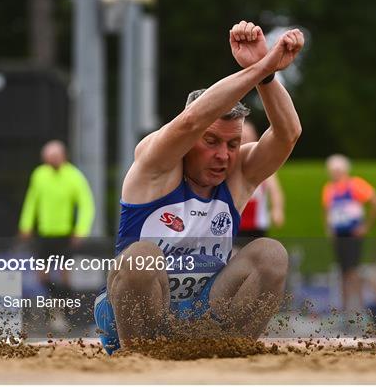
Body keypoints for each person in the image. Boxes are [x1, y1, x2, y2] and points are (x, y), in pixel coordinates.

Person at [94, 20, 304, 354]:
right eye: (211, 141)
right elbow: (191, 121)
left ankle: (229, 354)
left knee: (271, 254)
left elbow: (287, 134)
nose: (223, 155)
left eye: (233, 144)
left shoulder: (238, 173)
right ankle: (138, 359)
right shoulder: (155, 164)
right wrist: (262, 64)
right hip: (133, 312)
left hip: (204, 313)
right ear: (190, 141)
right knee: (141, 257)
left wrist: (266, 76)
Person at [19, 140, 95, 300]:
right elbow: (31, 201)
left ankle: (66, 312)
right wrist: (25, 225)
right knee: (41, 276)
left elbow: (86, 205)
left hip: (65, 235)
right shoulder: (39, 175)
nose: (51, 161)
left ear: (63, 156)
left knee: (64, 275)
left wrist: (81, 230)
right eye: (48, 158)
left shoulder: (74, 176)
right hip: (44, 233)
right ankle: (56, 306)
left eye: (54, 157)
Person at [322, 154, 376, 311]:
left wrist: (366, 226)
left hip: (353, 234)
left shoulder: (355, 185)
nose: (333, 173)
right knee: (343, 273)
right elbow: (327, 211)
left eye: (336, 170)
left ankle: (359, 309)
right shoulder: (329, 189)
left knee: (352, 272)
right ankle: (345, 311)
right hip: (339, 235)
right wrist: (329, 229)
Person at [237, 120, 285, 245]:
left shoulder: (264, 165)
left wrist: (277, 209)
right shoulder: (231, 163)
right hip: (234, 222)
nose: (244, 141)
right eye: (241, 138)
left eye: (247, 137)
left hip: (257, 224)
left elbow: (275, 191)